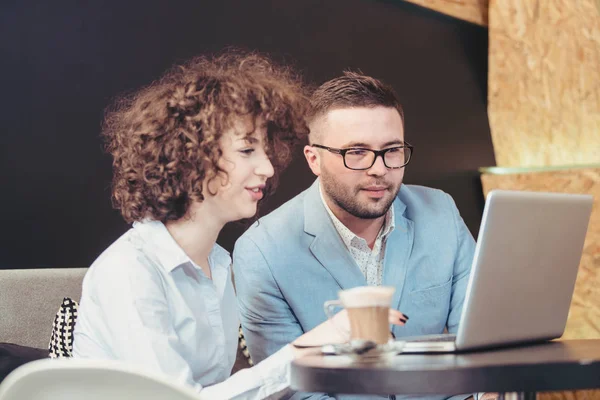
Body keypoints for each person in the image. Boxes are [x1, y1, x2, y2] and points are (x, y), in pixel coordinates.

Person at [72, 53, 406, 400]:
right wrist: (318, 342)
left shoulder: (218, 263)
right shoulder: (130, 271)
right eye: (247, 150)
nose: (267, 167)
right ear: (191, 155)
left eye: (265, 150)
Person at [233, 71, 477, 400]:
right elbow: (291, 390)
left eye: (392, 150)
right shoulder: (262, 251)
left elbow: (481, 346)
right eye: (356, 152)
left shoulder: (441, 213)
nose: (379, 168)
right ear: (314, 159)